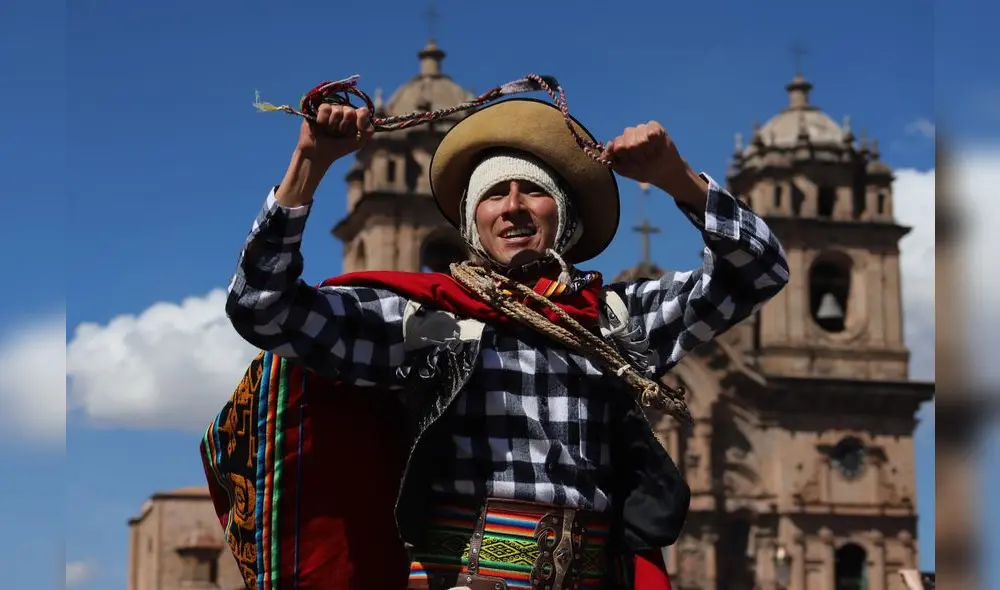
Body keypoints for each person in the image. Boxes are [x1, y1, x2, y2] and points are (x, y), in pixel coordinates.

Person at [224, 97, 789, 590]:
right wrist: (308, 165)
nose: (513, 205)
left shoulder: (614, 323)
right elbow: (262, 306)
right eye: (494, 193)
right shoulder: (426, 323)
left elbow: (759, 271)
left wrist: (676, 177)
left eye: (533, 191)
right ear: (474, 221)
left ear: (563, 214)